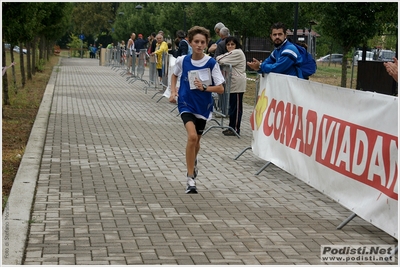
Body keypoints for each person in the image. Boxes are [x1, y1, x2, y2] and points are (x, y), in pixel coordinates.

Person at [169, 26, 225, 194]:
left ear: (207, 44)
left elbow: (221, 89)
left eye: (203, 42)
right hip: (186, 102)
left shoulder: (211, 63)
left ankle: (193, 161)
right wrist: (173, 91)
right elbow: (174, 74)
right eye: (196, 42)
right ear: (191, 43)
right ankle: (190, 178)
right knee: (192, 136)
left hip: (203, 106)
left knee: (197, 142)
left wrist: (204, 87)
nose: (199, 45)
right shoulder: (183, 60)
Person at [216, 36, 247, 136]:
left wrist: (219, 57)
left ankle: (235, 128)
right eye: (228, 44)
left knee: (236, 108)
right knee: (232, 107)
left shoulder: (237, 52)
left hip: (237, 83)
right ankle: (231, 127)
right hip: (232, 83)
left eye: (232, 44)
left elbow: (220, 59)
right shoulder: (231, 53)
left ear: (236, 45)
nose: (230, 46)